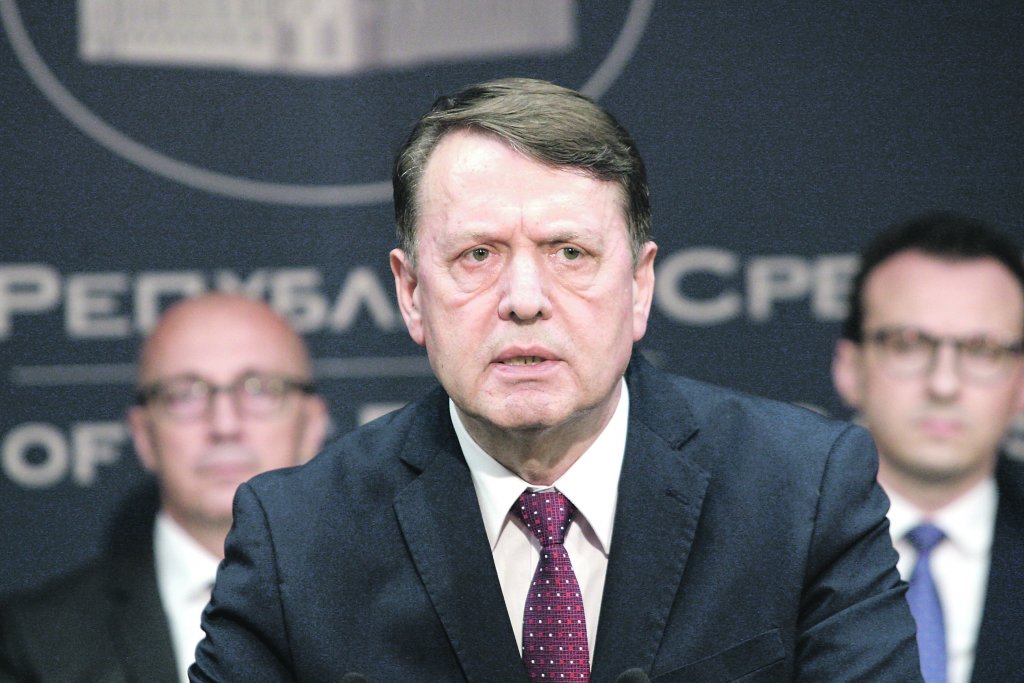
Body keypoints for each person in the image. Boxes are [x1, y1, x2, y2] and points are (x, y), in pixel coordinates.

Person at [191, 77, 921, 681]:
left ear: (639, 285)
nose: (524, 299)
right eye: (478, 255)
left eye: (569, 252)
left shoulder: (801, 493)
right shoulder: (297, 540)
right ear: (411, 293)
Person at [0, 293, 329, 683]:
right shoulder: (35, 641)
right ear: (143, 434)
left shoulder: (389, 604)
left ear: (312, 425)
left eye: (259, 389)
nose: (224, 425)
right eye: (184, 395)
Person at [832, 213, 1024, 683]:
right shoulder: (768, 549)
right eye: (908, 344)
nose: (943, 384)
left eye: (982, 349)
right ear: (850, 368)